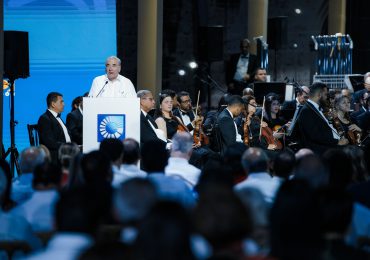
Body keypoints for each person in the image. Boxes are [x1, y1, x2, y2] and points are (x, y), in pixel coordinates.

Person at [297, 82, 348, 154]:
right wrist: (337, 142)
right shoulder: (307, 110)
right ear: (319, 95)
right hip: (322, 150)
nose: (327, 97)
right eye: (326, 94)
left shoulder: (316, 108)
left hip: (329, 145)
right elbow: (315, 136)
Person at [38, 92, 71, 163]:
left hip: (66, 152)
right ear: (53, 104)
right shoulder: (44, 118)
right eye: (61, 102)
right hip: (55, 155)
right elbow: (49, 142)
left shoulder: (57, 117)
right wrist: (67, 146)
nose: (64, 104)